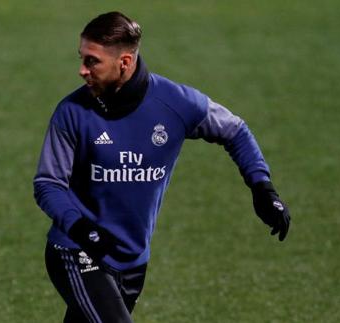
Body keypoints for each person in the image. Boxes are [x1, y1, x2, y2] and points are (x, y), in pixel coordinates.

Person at [33, 11, 291, 323]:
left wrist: (262, 187)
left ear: (125, 63)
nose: (82, 70)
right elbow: (48, 183)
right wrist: (82, 228)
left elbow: (235, 131)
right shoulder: (71, 113)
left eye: (92, 61)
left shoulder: (176, 103)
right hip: (76, 252)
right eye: (82, 58)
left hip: (132, 261)